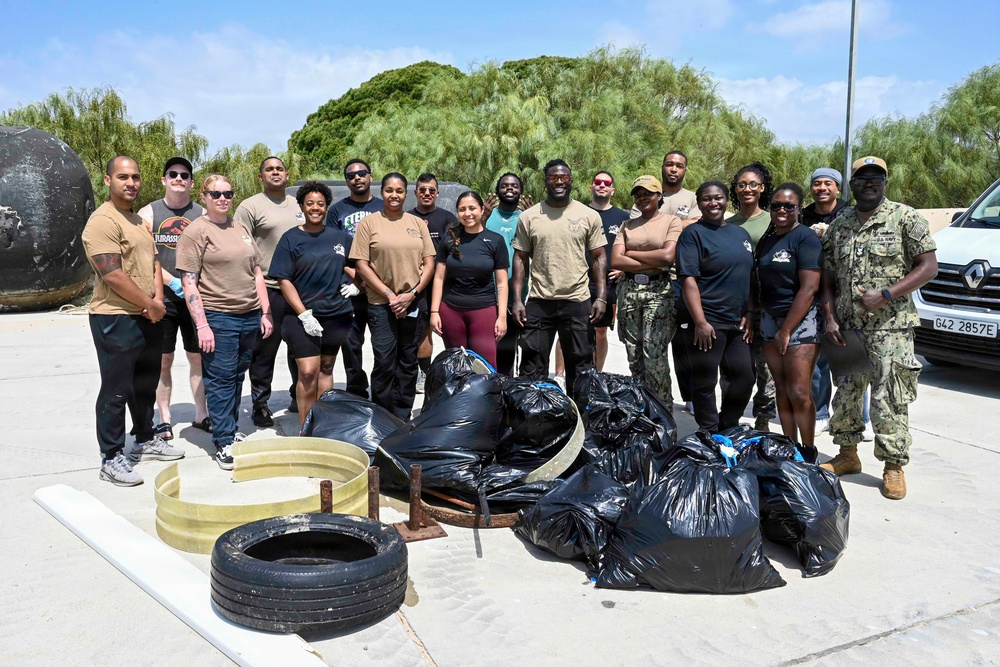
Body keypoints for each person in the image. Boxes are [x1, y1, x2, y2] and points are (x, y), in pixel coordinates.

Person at [820, 156, 938, 500]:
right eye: (862, 178)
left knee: (890, 397)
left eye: (876, 178)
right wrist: (829, 315)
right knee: (847, 392)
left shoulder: (905, 217)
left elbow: (928, 266)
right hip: (847, 326)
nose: (869, 183)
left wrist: (887, 294)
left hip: (891, 328)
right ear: (852, 184)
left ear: (885, 183)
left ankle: (893, 465)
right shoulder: (840, 223)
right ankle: (847, 454)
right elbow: (828, 275)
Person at [82, 156, 184, 487]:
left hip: (148, 314)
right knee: (116, 389)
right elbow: (111, 273)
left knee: (144, 384)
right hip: (115, 317)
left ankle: (144, 437)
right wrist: (149, 304)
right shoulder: (102, 221)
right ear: (107, 180)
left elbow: (154, 263)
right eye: (123, 177)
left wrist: (157, 302)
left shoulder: (138, 220)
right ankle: (111, 457)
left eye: (135, 177)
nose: (131, 183)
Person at [177, 175, 273, 470]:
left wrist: (265, 312)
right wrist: (202, 325)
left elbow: (256, 271)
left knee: (237, 376)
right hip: (219, 317)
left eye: (228, 194)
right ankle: (222, 440)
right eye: (216, 194)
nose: (222, 199)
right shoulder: (196, 232)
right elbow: (189, 282)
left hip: (249, 315)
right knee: (220, 380)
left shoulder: (240, 227)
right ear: (204, 196)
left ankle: (229, 428)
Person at [512, 159, 607, 394]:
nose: (559, 181)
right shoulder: (529, 216)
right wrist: (517, 300)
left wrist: (601, 297)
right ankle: (535, 414)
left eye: (563, 177)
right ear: (545, 181)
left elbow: (599, 257)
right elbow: (520, 258)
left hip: (577, 302)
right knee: (532, 368)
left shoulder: (588, 215)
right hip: (539, 302)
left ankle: (579, 413)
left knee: (581, 368)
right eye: (553, 177)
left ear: (571, 180)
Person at [269, 181, 356, 431]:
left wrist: (357, 285)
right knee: (308, 372)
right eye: (310, 204)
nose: (315, 208)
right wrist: (304, 314)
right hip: (302, 318)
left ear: (327, 207)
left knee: (326, 368)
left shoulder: (340, 238)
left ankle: (322, 427)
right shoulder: (291, 238)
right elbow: (283, 279)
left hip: (337, 315)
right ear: (301, 206)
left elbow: (356, 266)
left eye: (320, 203)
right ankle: (305, 429)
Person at [349, 173, 435, 420]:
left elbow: (429, 263)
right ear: (382, 192)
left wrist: (412, 293)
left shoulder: (417, 223)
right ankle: (383, 416)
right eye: (389, 190)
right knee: (385, 361)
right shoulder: (369, 224)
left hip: (413, 303)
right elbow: (361, 264)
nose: (394, 195)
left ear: (406, 193)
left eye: (399, 191)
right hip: (381, 304)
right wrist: (389, 294)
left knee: (408, 361)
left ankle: (403, 415)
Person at [137, 157, 210, 439]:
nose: (179, 178)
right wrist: (172, 282)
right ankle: (164, 418)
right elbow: (144, 257)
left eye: (184, 175)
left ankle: (201, 414)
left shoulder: (202, 213)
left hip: (196, 300)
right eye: (173, 174)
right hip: (162, 299)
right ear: (164, 180)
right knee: (163, 360)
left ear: (191, 183)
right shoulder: (148, 213)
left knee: (198, 358)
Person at [676, 181, 755, 433]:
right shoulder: (693, 234)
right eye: (707, 199)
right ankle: (709, 431)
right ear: (699, 204)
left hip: (737, 321)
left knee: (745, 376)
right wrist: (700, 322)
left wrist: (750, 311)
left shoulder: (740, 234)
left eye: (718, 198)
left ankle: (727, 425)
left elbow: (749, 276)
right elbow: (688, 279)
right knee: (704, 380)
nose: (713, 203)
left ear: (727, 201)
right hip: (708, 319)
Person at [755, 183, 824, 457]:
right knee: (781, 389)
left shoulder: (806, 238)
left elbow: (809, 288)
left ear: (799, 208)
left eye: (788, 206)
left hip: (801, 322)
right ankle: (789, 447)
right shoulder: (768, 239)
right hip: (769, 319)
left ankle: (808, 451)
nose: (781, 210)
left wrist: (786, 330)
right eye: (776, 206)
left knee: (798, 391)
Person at [235, 157, 302, 428]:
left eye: (279, 169)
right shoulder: (250, 206)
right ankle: (260, 403)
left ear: (287, 175)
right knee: (264, 352)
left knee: (300, 347)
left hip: (299, 289)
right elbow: (240, 247)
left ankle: (299, 395)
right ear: (260, 176)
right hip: (269, 289)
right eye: (269, 169)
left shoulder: (300, 204)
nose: (275, 172)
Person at [611, 175, 684, 411]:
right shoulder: (627, 225)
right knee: (634, 355)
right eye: (638, 194)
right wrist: (652, 259)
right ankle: (641, 408)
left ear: (659, 196)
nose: (642, 197)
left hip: (658, 291)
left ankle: (662, 410)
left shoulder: (671, 222)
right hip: (629, 290)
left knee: (654, 355)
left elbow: (667, 257)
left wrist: (631, 254)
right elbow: (616, 260)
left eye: (648, 193)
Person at [555, 170, 629, 381]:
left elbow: (632, 246)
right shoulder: (577, 212)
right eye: (598, 182)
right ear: (591, 187)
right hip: (578, 281)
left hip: (608, 284)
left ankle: (596, 376)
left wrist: (624, 268)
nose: (602, 185)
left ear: (613, 190)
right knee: (567, 329)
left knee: (600, 331)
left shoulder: (623, 218)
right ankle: (560, 376)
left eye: (607, 183)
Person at [430, 191, 509, 368]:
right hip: (451, 310)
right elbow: (439, 278)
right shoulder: (449, 239)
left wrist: (502, 317)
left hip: (484, 309)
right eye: (462, 209)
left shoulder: (495, 240)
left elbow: (502, 283)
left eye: (472, 208)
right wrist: (434, 312)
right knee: (456, 364)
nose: (467, 213)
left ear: (482, 210)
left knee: (485, 365)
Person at [326, 159, 384, 399]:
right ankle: (356, 390)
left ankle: (381, 391)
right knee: (351, 343)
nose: (357, 178)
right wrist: (359, 281)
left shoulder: (383, 207)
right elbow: (333, 250)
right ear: (346, 181)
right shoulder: (337, 211)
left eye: (361, 173)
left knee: (382, 344)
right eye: (351, 175)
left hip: (380, 288)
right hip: (349, 289)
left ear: (370, 176)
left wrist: (371, 282)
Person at [728, 161, 777, 431]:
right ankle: (730, 417)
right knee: (734, 364)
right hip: (736, 302)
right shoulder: (726, 223)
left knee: (766, 367)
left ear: (762, 188)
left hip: (766, 302)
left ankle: (763, 420)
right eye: (742, 184)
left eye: (753, 184)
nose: (747, 189)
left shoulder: (773, 220)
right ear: (735, 189)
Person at [801, 167, 849, 434]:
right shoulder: (803, 215)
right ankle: (820, 412)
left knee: (850, 357)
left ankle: (858, 416)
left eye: (828, 183)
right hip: (813, 292)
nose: (822, 188)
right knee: (817, 359)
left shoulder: (850, 213)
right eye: (817, 183)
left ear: (838, 188)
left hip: (844, 293)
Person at [408, 173, 458, 391]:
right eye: (422, 190)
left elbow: (458, 250)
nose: (427, 193)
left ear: (437, 193)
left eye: (431, 190)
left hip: (442, 284)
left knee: (437, 328)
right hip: (414, 284)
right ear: (416, 192)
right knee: (418, 331)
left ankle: (447, 372)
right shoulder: (407, 217)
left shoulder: (448, 219)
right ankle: (420, 372)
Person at [485, 173, 530, 376]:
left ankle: (507, 383)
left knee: (509, 348)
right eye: (504, 185)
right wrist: (482, 217)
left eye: (514, 185)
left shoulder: (526, 218)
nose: (509, 188)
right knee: (488, 346)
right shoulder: (488, 216)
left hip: (516, 296)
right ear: (497, 191)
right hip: (487, 294)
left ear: (520, 191)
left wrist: (532, 220)